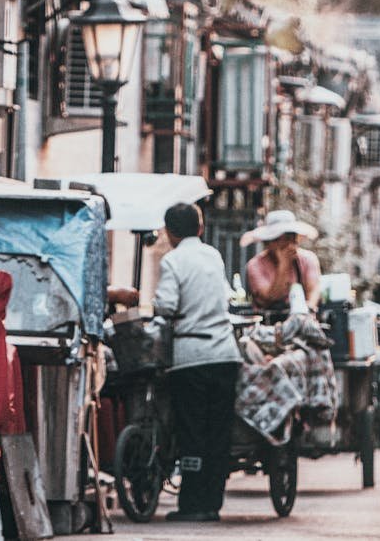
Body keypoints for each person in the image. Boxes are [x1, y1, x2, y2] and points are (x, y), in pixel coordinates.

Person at [152, 203, 243, 522]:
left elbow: (165, 305)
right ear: (201, 229)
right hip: (225, 355)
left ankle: (191, 505)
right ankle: (212, 504)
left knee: (192, 432)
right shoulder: (213, 256)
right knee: (218, 432)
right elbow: (224, 296)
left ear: (170, 233)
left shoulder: (173, 261)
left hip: (192, 359)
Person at [242, 210, 323, 312]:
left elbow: (314, 290)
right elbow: (267, 299)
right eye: (279, 239)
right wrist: (283, 265)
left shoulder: (307, 259)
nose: (287, 244)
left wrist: (308, 308)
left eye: (290, 238)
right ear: (268, 242)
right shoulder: (255, 265)